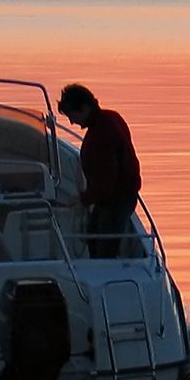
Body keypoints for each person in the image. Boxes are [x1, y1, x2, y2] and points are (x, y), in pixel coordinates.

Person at [57, 83, 142, 258]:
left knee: (104, 246)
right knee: (94, 236)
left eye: (72, 115)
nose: (72, 122)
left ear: (84, 108)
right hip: (113, 197)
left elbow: (106, 181)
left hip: (114, 200)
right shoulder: (111, 118)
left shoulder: (101, 134)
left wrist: (82, 198)